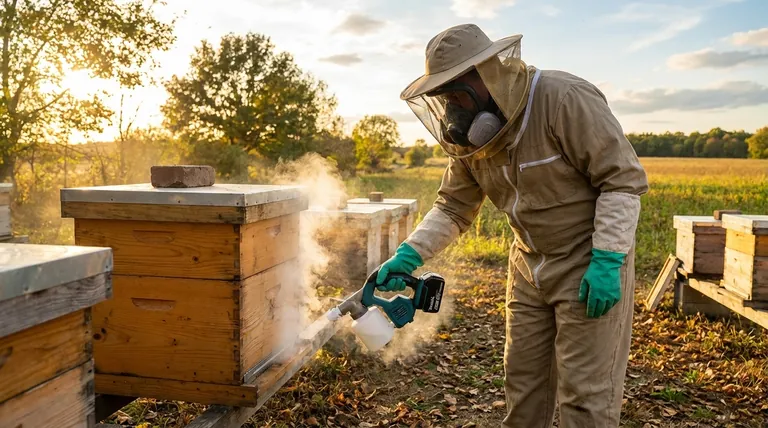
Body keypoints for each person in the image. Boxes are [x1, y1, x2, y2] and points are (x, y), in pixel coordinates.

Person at [375, 23, 649, 427]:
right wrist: (408, 254)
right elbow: (453, 205)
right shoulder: (470, 138)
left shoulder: (563, 98)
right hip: (527, 264)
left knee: (586, 400)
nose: (452, 107)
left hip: (588, 263)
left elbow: (622, 180)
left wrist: (607, 259)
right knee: (523, 387)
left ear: (488, 73)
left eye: (456, 93)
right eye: (444, 97)